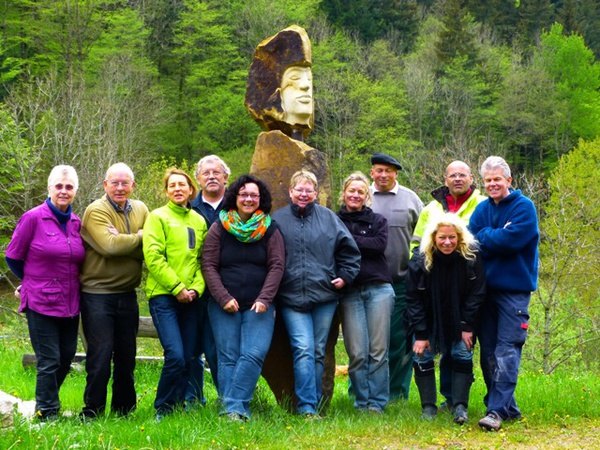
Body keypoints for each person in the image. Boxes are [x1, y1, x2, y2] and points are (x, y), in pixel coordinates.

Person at [273, 169, 360, 415]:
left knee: (319, 350)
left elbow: (350, 252)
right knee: (302, 348)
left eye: (308, 190)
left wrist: (345, 277)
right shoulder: (277, 220)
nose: (303, 194)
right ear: (290, 192)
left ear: (315, 193)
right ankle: (306, 406)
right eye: (299, 190)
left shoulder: (329, 218)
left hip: (324, 296)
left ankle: (318, 403)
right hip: (291, 298)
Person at [202, 174, 285, 421]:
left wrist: (265, 298)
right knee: (228, 356)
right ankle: (234, 411)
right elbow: (208, 265)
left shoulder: (270, 228)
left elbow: (277, 266)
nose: (249, 199)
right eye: (244, 194)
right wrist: (223, 297)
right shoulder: (219, 227)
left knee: (254, 352)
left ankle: (232, 406)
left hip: (259, 304)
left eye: (254, 195)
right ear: (235, 197)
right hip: (224, 304)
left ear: (261, 199)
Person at [5, 165, 85, 421]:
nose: (63, 191)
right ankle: (47, 413)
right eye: (59, 186)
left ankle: (46, 401)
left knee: (66, 356)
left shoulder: (76, 223)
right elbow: (13, 256)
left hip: (70, 302)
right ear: (49, 188)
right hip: (40, 301)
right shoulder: (32, 218)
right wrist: (29, 281)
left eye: (69, 187)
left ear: (75, 191)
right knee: (49, 359)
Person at [468, 156, 539, 432]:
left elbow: (511, 242)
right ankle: (507, 408)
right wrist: (495, 234)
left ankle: (496, 411)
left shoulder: (524, 207)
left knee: (507, 349)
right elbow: (471, 241)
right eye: (488, 180)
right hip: (485, 291)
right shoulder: (481, 209)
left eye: (497, 179)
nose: (492, 184)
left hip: (514, 292)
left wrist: (487, 236)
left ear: (509, 180)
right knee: (488, 352)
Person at [410, 160, 486, 409]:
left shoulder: (482, 204)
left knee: (459, 350)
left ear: (471, 178)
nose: (457, 179)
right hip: (431, 284)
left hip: (465, 283)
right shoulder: (430, 208)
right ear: (445, 179)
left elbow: (476, 293)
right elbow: (416, 243)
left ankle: (457, 403)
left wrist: (467, 325)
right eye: (452, 175)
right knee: (425, 349)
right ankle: (433, 405)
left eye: (462, 174)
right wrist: (419, 268)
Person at [79, 162, 148, 419]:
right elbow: (110, 246)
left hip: (127, 293)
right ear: (105, 185)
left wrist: (127, 241)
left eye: (125, 183)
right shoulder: (96, 210)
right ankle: (92, 411)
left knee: (126, 356)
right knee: (100, 356)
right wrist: (139, 237)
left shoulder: (141, 208)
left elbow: (150, 248)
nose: (120, 187)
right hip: (97, 294)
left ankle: (124, 411)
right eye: (114, 183)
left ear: (133, 185)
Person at [143, 168, 207, 421]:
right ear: (166, 191)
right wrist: (177, 287)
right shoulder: (157, 217)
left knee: (190, 355)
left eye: (182, 185)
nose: (178, 189)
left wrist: (196, 289)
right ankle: (163, 408)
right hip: (164, 296)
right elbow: (153, 257)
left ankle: (180, 405)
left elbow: (202, 260)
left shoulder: (199, 221)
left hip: (191, 298)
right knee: (176, 355)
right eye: (172, 185)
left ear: (191, 190)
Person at [337, 172, 395, 414]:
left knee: (378, 350)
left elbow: (378, 245)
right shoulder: (333, 220)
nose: (356, 195)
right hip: (349, 291)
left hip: (378, 288)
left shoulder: (378, 220)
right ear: (344, 193)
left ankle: (377, 403)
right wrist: (360, 240)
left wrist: (346, 240)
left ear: (367, 196)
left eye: (361, 192)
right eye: (352, 190)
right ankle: (361, 402)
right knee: (357, 352)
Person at [369, 153, 423, 400]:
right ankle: (361, 391)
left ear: (396, 173)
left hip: (402, 281)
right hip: (368, 282)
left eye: (388, 171)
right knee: (368, 342)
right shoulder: (362, 196)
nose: (383, 175)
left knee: (400, 339)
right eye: (379, 170)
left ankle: (397, 393)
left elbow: (425, 235)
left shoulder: (411, 199)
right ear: (372, 172)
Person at [187, 155, 231, 405]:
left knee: (219, 349)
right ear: (198, 179)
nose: (211, 176)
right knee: (192, 347)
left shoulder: (237, 206)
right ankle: (193, 400)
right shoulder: (188, 208)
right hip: (193, 288)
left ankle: (227, 399)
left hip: (226, 289)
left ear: (226, 177)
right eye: (206, 173)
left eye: (216, 172)